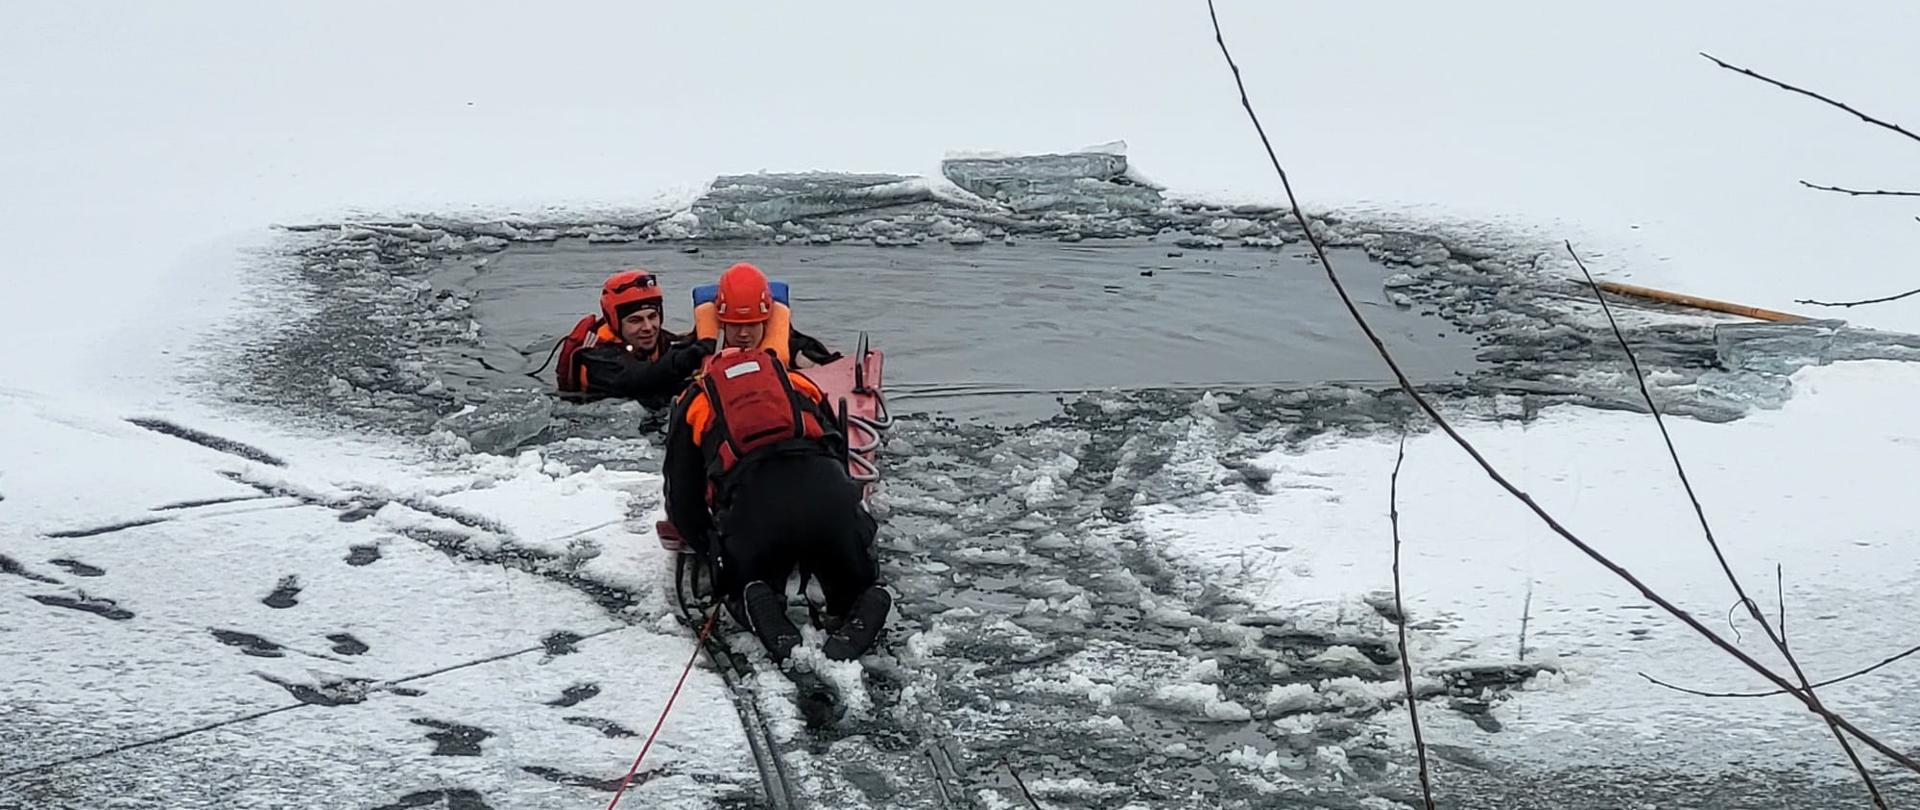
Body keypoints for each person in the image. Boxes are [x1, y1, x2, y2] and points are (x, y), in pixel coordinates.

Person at [662, 266, 891, 664]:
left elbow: (682, 501)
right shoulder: (797, 383)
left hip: (756, 509)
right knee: (848, 566)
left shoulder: (695, 397)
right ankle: (858, 599)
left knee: (744, 578)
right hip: (827, 494)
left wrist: (712, 547)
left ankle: (756, 601)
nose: (744, 333)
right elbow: (837, 451)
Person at [557, 269, 712, 409]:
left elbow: (681, 347)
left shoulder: (657, 339)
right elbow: (638, 379)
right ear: (615, 323)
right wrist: (695, 353)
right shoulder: (596, 357)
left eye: (652, 316)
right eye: (635, 320)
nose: (648, 327)